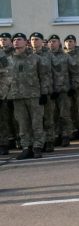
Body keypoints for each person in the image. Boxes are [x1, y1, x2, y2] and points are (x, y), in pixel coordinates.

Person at [8, 32, 50, 160]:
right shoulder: (8, 60)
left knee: (36, 122)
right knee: (22, 124)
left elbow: (44, 76)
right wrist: (7, 96)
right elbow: (5, 79)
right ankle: (26, 148)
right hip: (17, 97)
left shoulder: (35, 58)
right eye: (14, 39)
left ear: (26, 42)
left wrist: (44, 93)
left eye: (19, 39)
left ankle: (37, 147)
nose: (16, 41)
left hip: (34, 95)